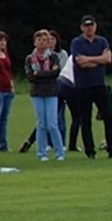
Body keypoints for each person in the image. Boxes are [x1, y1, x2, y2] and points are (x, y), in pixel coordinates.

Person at [71, 14, 112, 159]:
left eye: (91, 25)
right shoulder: (77, 42)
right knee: (85, 119)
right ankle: (90, 151)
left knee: (108, 117)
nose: (89, 28)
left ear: (95, 26)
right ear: (82, 28)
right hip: (83, 86)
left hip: (99, 84)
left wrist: (90, 59)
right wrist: (99, 60)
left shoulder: (102, 41)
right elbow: (80, 62)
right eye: (86, 26)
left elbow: (108, 58)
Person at [24, 29, 66, 161]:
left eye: (45, 40)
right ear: (35, 42)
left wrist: (39, 74)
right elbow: (30, 76)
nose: (42, 43)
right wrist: (44, 74)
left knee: (52, 124)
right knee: (41, 124)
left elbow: (55, 73)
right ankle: (41, 153)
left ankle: (59, 152)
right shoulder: (30, 59)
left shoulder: (53, 57)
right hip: (37, 93)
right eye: (40, 40)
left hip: (51, 92)